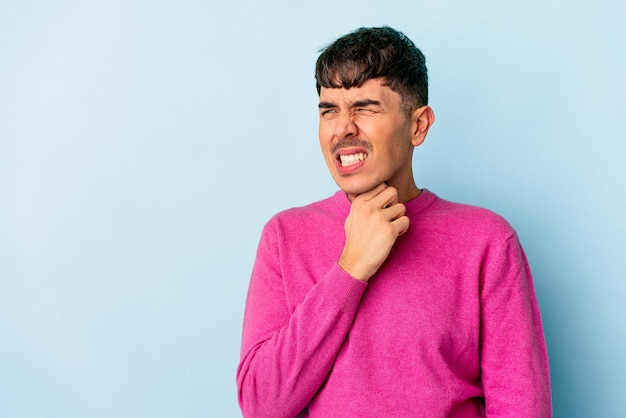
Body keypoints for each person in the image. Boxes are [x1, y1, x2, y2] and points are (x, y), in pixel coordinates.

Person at [236, 26, 551, 417]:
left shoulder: (486, 241)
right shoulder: (284, 236)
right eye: (329, 110)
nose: (343, 128)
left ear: (418, 125)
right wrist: (351, 267)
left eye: (365, 108)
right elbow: (261, 404)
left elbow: (522, 406)